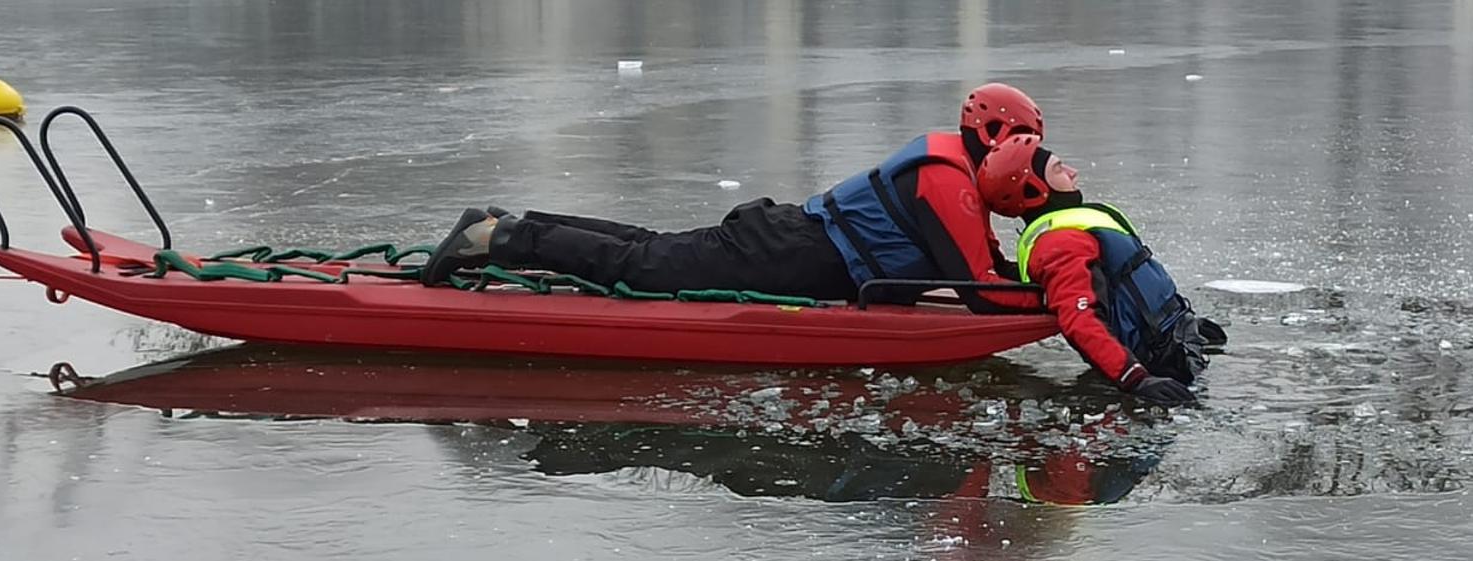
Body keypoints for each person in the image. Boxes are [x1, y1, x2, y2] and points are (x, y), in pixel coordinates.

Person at [418, 83, 1046, 312]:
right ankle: (497, 238)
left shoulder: (948, 165)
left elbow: (983, 261)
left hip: (790, 240)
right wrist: (1057, 299)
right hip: (788, 253)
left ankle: (511, 224)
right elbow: (983, 293)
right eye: (1020, 141)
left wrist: (1042, 275)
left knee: (648, 248)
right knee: (643, 266)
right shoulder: (948, 182)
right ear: (993, 135)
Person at [974, 133, 1227, 406]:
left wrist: (1185, 325)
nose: (1073, 172)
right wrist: (1136, 378)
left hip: (1173, 341)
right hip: (1159, 364)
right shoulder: (1061, 244)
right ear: (1036, 190)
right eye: (1058, 168)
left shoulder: (1066, 233)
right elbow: (1080, 321)